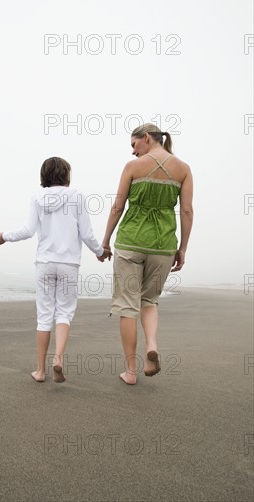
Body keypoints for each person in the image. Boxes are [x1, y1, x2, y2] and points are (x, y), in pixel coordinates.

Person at [0, 157, 111, 383]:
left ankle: (40, 370)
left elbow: (27, 230)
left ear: (44, 175)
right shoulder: (77, 196)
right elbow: (86, 234)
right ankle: (58, 358)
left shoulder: (36, 197)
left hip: (44, 263)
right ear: (66, 175)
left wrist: (3, 237)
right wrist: (100, 251)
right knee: (64, 313)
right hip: (68, 264)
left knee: (44, 316)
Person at [101, 123, 193, 385]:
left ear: (145, 138)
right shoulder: (183, 169)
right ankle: (151, 343)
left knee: (126, 306)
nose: (133, 152)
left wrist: (106, 241)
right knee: (149, 301)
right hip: (163, 245)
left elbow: (118, 206)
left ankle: (130, 372)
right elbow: (187, 211)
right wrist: (182, 249)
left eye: (134, 145)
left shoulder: (132, 168)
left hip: (131, 242)